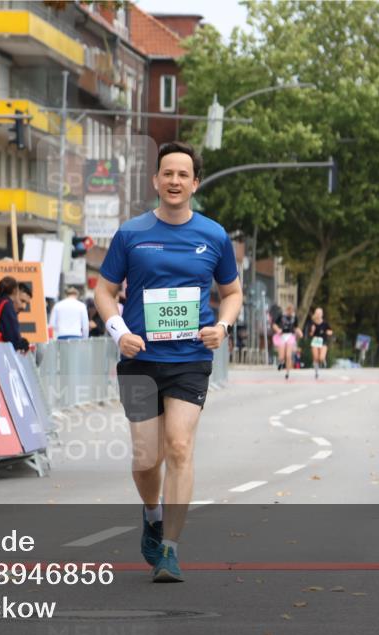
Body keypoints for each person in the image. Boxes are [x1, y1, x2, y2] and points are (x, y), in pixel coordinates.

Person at [94, 141, 243, 582]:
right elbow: (104, 291)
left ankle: (170, 550)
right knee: (146, 458)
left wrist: (223, 326)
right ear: (155, 180)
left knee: (179, 446)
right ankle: (152, 514)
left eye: (183, 175)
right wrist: (119, 332)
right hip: (140, 358)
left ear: (195, 183)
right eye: (168, 174)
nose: (175, 181)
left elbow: (232, 292)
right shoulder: (131, 234)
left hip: (189, 359)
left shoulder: (214, 235)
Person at [0, 276, 29, 352]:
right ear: (15, 291)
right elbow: (12, 335)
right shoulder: (7, 305)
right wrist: (22, 343)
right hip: (0, 351)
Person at [273, 303, 302, 380]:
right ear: (287, 310)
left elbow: (296, 327)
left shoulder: (294, 317)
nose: (291, 312)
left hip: (290, 336)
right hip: (282, 336)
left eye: (292, 311)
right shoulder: (281, 315)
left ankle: (287, 373)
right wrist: (278, 330)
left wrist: (299, 332)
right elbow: (274, 325)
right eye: (289, 311)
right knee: (281, 356)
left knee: (288, 355)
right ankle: (281, 362)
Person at [307, 307, 333, 380]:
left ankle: (323, 360)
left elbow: (330, 331)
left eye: (320, 313)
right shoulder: (312, 323)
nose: (318, 315)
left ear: (322, 314)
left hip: (323, 341)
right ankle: (316, 372)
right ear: (315, 314)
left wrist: (329, 332)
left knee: (321, 357)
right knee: (316, 358)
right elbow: (310, 334)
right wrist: (312, 331)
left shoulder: (325, 323)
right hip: (315, 341)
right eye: (317, 313)